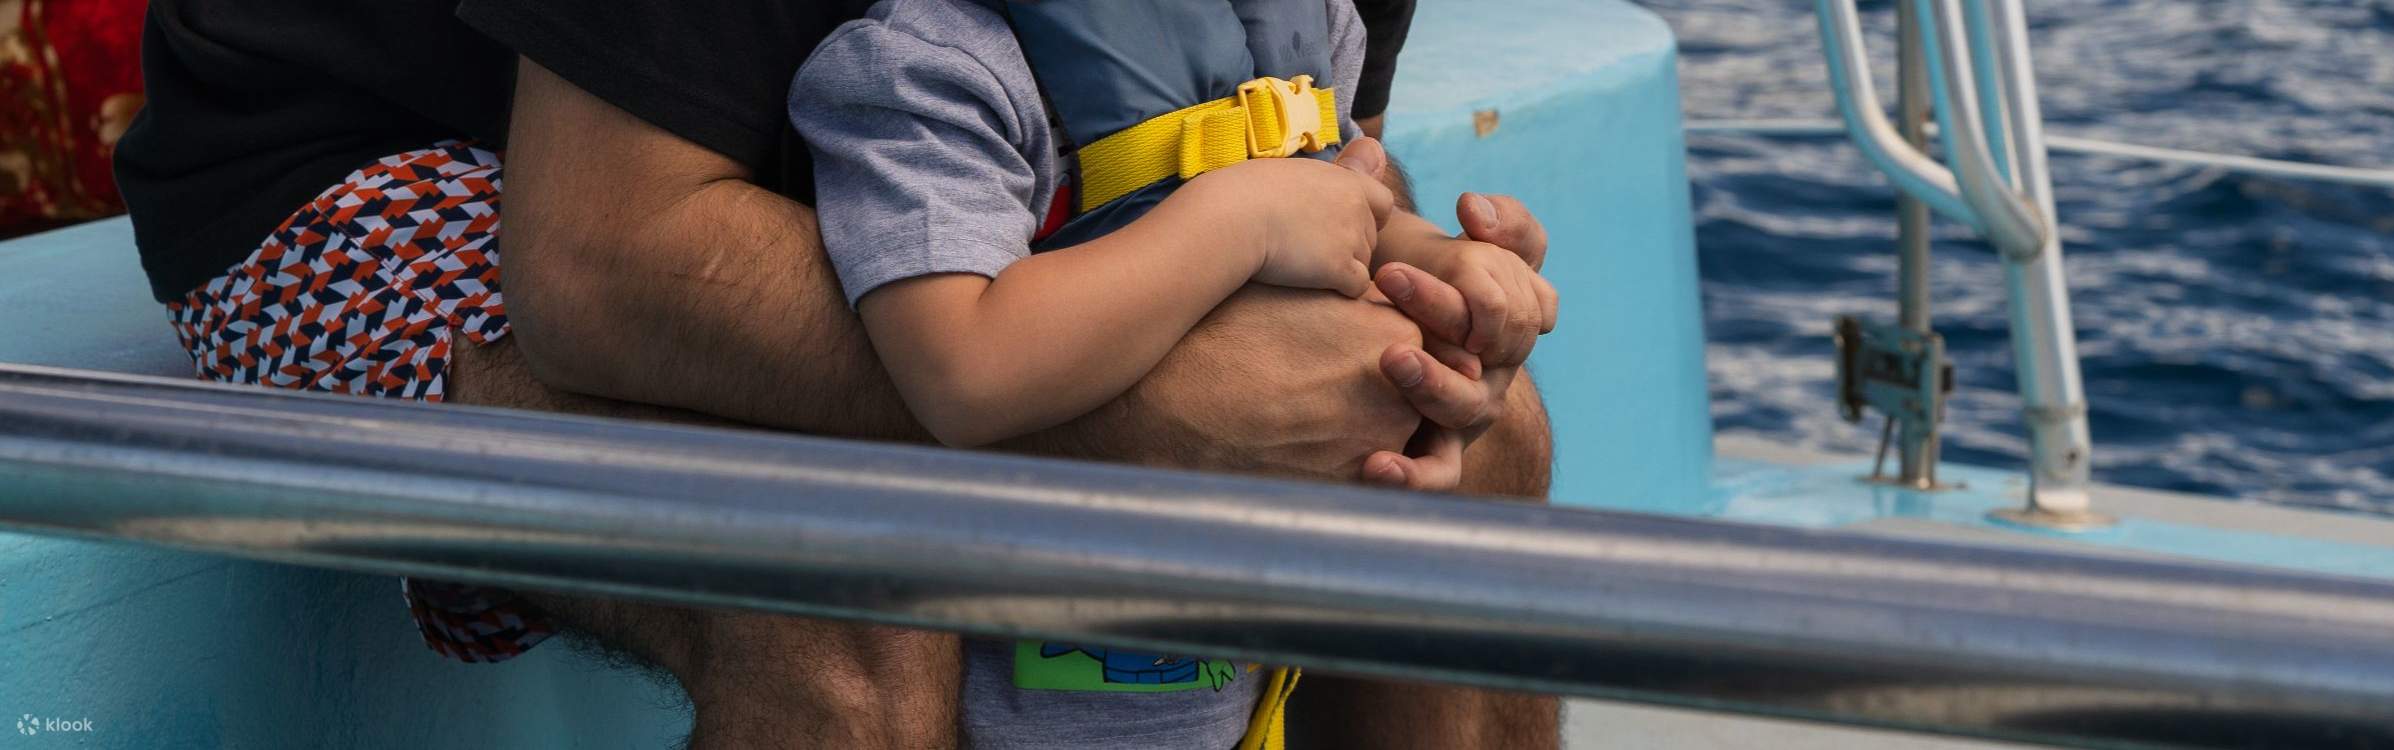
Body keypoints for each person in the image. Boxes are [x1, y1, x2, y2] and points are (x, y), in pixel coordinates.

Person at [116, 0, 1558, 747]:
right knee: (841, 588)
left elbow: (1301, 149)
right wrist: (1140, 411)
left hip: (902, 141)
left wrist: (1428, 311)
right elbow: (594, 262)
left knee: (1470, 464)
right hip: (400, 167)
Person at [784, 0, 1556, 746]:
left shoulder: (1308, 21)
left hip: (1233, 665)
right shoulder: (924, 72)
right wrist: (1245, 221)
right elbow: (963, 371)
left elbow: (1346, 207)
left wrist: (1437, 266)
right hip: (1020, 696)